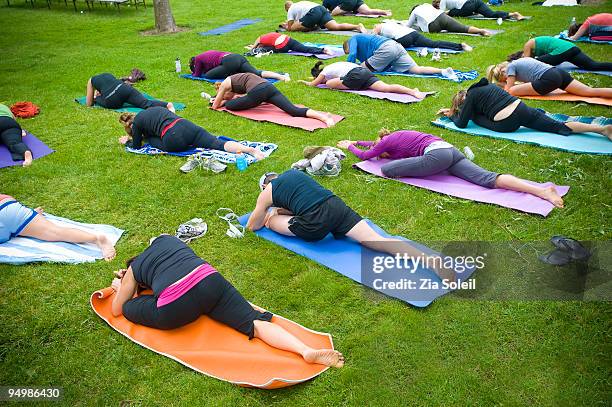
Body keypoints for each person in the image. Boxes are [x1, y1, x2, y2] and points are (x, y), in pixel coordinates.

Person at [109, 235, 345, 368]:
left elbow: (116, 310)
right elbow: (157, 243)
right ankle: (305, 350)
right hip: (210, 280)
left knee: (130, 307)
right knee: (254, 323)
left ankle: (307, 352)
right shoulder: (166, 241)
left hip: (176, 304)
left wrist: (123, 288)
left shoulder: (135, 270)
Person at [246, 170, 456, 280]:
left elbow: (253, 226)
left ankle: (276, 219)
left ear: (265, 185)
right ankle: (431, 261)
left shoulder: (267, 191)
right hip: (335, 207)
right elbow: (301, 201)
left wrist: (269, 211)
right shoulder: (295, 175)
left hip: (314, 222)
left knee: (271, 221)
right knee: (377, 241)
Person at [337, 129, 565, 208]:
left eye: (381, 152)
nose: (381, 156)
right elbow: (371, 145)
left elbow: (368, 154)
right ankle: (541, 191)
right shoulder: (394, 139)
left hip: (437, 155)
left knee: (388, 170)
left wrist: (349, 146)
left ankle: (542, 191)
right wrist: (360, 141)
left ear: (382, 142)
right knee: (487, 178)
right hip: (450, 151)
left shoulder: (387, 142)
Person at [437, 77, 612, 140]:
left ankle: (603, 130)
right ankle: (601, 129)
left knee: (474, 117)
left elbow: (461, 124)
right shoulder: (488, 88)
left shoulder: (471, 97)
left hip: (506, 123)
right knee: (559, 125)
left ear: (463, 99)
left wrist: (453, 115)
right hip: (522, 108)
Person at [117, 106, 266, 159]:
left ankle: (249, 151)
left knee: (149, 140)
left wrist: (128, 141)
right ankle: (249, 150)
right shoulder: (151, 110)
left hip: (172, 138)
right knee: (217, 143)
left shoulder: (136, 124)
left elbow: (136, 145)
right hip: (186, 125)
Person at [0, 194, 116, 260]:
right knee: (56, 232)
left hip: (6, 212)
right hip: (8, 206)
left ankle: (97, 239)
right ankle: (96, 238)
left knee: (54, 233)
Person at [212, 73, 335, 127]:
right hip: (269, 88)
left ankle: (325, 118)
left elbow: (215, 106)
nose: (224, 96)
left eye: (223, 95)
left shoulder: (224, 85)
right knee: (293, 110)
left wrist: (223, 102)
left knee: (230, 105)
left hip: (258, 93)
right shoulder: (236, 80)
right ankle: (324, 117)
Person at [486, 58, 612, 98]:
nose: (508, 79)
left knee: (513, 91)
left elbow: (509, 90)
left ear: (503, 73)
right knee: (589, 92)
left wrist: (501, 86)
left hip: (549, 78)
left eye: (505, 79)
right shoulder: (518, 62)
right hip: (558, 73)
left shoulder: (510, 68)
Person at [344, 34, 457, 77]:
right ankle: (442, 71)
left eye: (347, 51)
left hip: (386, 48)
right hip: (396, 46)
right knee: (416, 69)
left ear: (347, 45)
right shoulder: (364, 43)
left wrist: (347, 67)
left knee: (358, 70)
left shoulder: (353, 39)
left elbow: (353, 54)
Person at [300, 61, 430, 99]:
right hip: (364, 72)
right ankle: (412, 91)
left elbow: (313, 84)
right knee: (386, 87)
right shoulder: (334, 66)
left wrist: (304, 82)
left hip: (355, 75)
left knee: (329, 84)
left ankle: (359, 86)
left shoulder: (325, 72)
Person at [86, 73, 174, 112]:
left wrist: (95, 97)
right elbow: (111, 84)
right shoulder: (107, 74)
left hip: (112, 99)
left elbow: (89, 103)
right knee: (145, 103)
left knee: (96, 99)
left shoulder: (91, 80)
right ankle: (167, 105)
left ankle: (97, 98)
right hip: (124, 88)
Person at [520, 36, 612, 71]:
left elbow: (527, 63)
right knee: (593, 66)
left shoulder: (528, 45)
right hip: (571, 48)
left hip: (562, 51)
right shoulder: (537, 48)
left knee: (536, 63)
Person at [372, 21, 473, 52]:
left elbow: (373, 37)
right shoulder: (391, 23)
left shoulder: (379, 26)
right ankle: (460, 45)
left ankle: (460, 46)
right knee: (433, 43)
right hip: (413, 33)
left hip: (404, 39)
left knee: (387, 44)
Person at [190, 51, 289, 81]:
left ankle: (236, 73)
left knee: (208, 75)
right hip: (237, 57)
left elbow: (197, 75)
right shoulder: (207, 55)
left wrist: (193, 72)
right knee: (256, 73)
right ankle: (280, 76)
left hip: (229, 62)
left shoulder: (198, 58)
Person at [280, 1, 367, 32]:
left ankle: (314, 27)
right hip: (321, 9)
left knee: (293, 29)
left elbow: (291, 27)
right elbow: (303, 18)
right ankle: (357, 26)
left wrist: (286, 26)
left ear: (287, 9)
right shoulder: (300, 4)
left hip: (313, 12)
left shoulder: (291, 9)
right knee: (335, 26)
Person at [407, 3, 490, 36]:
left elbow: (408, 26)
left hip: (433, 26)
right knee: (463, 28)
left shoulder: (414, 11)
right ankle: (481, 30)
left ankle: (481, 31)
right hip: (442, 16)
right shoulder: (426, 5)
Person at [246, 32, 333, 55]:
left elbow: (258, 41)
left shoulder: (261, 38)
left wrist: (253, 47)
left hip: (282, 47)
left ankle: (323, 50)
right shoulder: (268, 37)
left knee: (265, 49)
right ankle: (323, 50)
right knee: (304, 48)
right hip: (288, 39)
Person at [433, 0, 524, 20]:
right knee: (491, 14)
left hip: (469, 6)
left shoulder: (442, 1)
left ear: (437, 3)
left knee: (450, 13)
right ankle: (513, 14)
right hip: (476, 2)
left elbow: (440, 13)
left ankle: (472, 11)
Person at [322, 0, 391, 16]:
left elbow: (323, 11)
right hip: (355, 1)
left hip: (347, 3)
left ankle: (348, 11)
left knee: (332, 14)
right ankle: (384, 12)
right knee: (368, 11)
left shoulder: (325, 1)